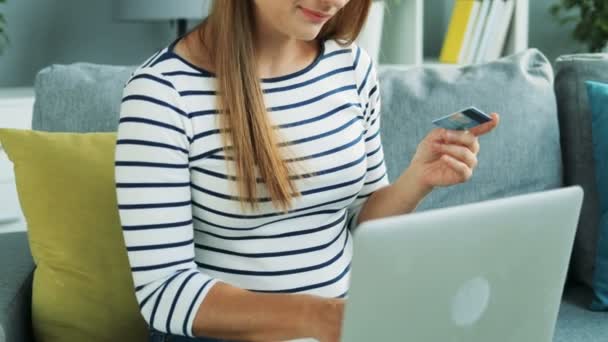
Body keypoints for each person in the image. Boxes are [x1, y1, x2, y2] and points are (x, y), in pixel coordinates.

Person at [114, 0, 500, 341]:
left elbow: (362, 228)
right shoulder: (161, 94)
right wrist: (315, 316)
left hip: (341, 325)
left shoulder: (350, 67)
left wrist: (418, 179)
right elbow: (163, 291)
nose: (333, 2)